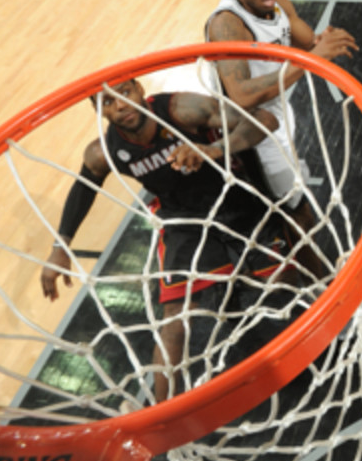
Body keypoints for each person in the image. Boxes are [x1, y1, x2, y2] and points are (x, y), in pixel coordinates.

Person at [40, 78, 280, 402]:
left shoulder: (182, 110)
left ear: (140, 89)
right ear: (98, 112)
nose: (120, 105)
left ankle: (330, 305)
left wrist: (213, 149)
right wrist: (60, 248)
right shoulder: (105, 151)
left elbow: (265, 119)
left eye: (124, 93)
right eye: (106, 103)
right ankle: (163, 417)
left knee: (284, 281)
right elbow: (83, 189)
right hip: (185, 222)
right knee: (174, 321)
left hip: (236, 201)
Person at [206, 0, 358, 277]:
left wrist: (325, 41)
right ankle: (318, 286)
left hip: (277, 114)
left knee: (286, 205)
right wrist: (317, 58)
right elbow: (241, 95)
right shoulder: (227, 25)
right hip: (249, 128)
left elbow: (307, 42)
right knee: (296, 209)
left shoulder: (275, 2)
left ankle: (293, 261)